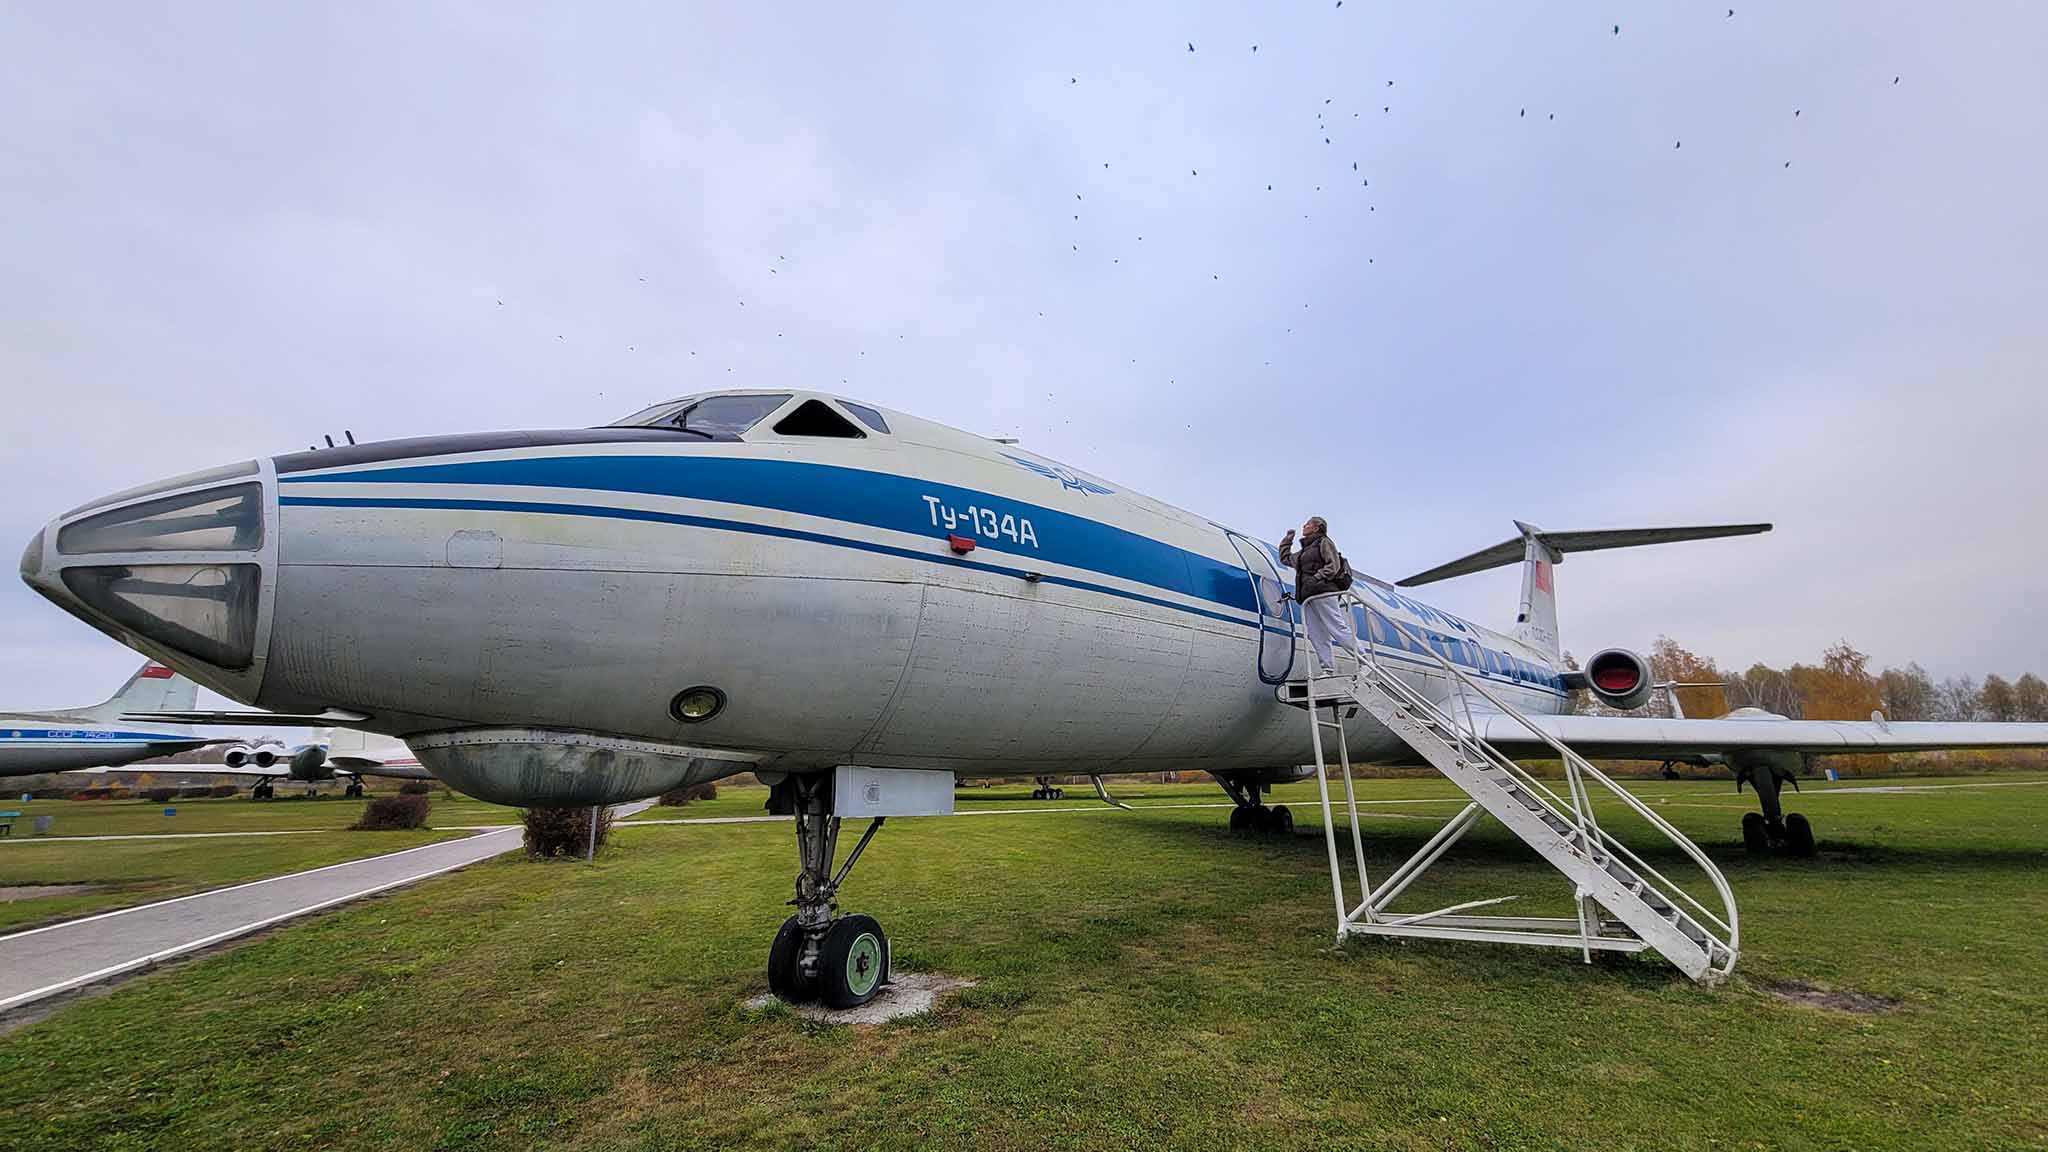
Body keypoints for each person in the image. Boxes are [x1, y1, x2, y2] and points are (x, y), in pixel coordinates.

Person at [1280, 516, 1363, 676]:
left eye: (1307, 524)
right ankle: (1327, 668)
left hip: (1324, 592)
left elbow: (1333, 565)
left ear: (1317, 527)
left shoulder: (1324, 542)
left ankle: (1364, 660)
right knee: (1316, 633)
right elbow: (1286, 559)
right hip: (1308, 596)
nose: (1304, 526)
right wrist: (1287, 541)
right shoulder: (1304, 551)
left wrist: (1316, 578)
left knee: (1336, 627)